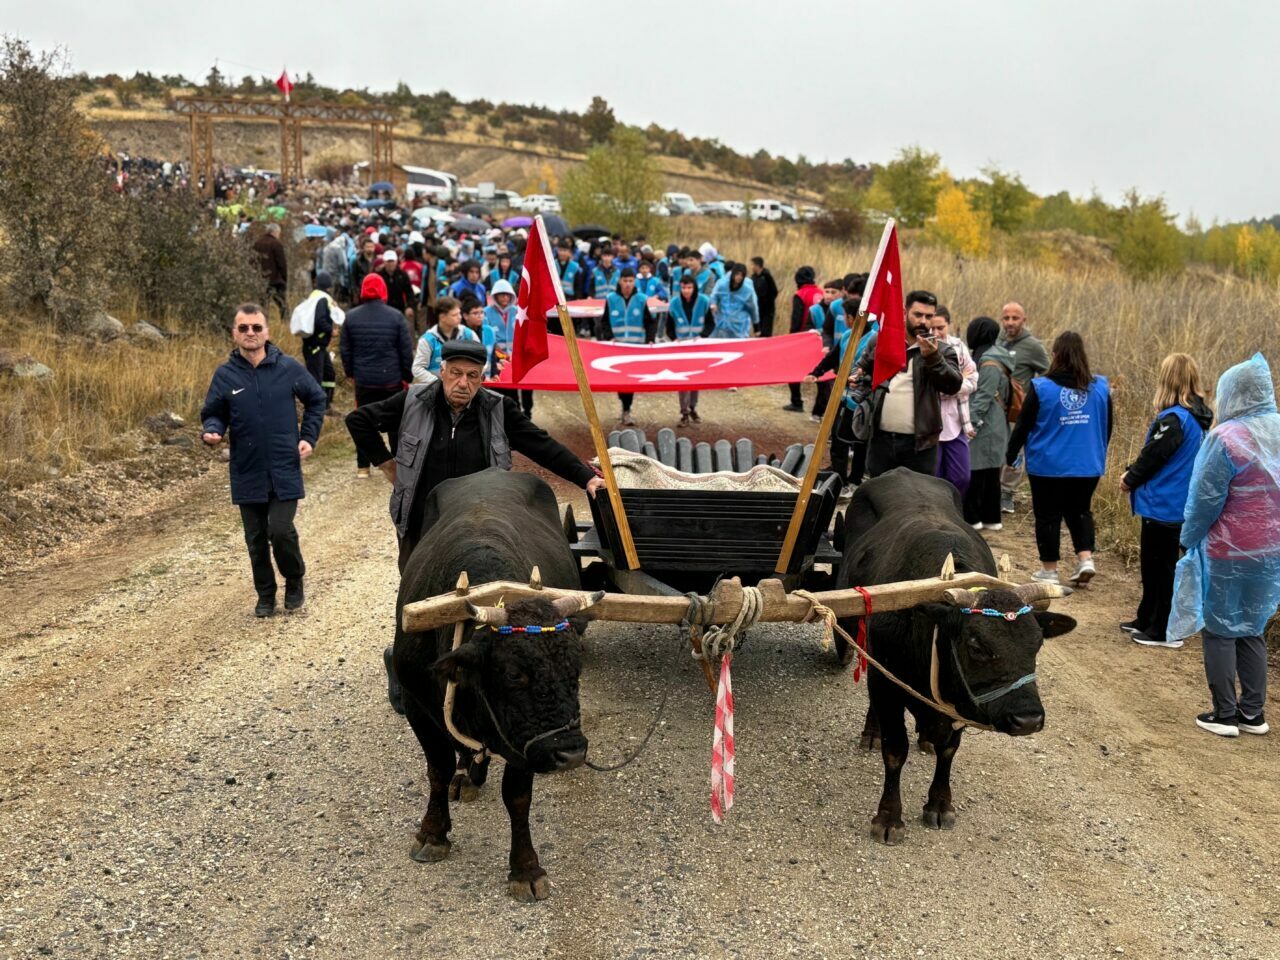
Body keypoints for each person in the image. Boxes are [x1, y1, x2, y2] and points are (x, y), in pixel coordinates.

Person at [345, 339, 607, 711]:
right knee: (419, 592)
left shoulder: (498, 409)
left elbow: (541, 445)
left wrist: (585, 478)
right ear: (441, 372)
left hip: (480, 524)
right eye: (455, 373)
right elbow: (358, 420)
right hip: (424, 521)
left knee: (484, 595)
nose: (462, 383)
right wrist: (387, 464)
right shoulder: (411, 402)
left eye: (472, 376)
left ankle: (475, 666)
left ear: (482, 378)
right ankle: (403, 664)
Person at [1168, 353, 1280, 737]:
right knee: (1252, 626)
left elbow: (1205, 498)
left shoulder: (1225, 437)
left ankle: (1225, 714)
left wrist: (1188, 538)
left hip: (1228, 551)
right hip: (1272, 553)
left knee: (1219, 628)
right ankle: (1254, 713)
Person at [200, 304, 326, 617]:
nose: (251, 333)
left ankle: (294, 579)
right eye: (244, 328)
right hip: (247, 468)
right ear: (234, 333)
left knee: (280, 530)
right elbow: (214, 413)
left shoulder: (288, 367)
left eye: (256, 327)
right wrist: (213, 430)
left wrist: (308, 437)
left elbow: (316, 399)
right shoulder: (225, 374)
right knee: (255, 539)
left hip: (284, 466)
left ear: (267, 332)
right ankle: (266, 595)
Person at [1120, 353, 1213, 648]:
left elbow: (1153, 457)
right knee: (1153, 566)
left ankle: (1163, 630)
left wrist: (1129, 478)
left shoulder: (1175, 419)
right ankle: (1146, 618)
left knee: (1162, 569)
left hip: (1164, 504)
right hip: (1179, 502)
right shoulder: (1198, 418)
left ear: (1167, 380)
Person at [1006, 331, 1111, 586]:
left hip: (1048, 465)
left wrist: (1011, 454)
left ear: (1054, 355)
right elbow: (1108, 424)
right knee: (1080, 510)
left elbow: (1023, 425)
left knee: (1048, 515)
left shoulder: (1042, 387)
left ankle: (1050, 571)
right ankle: (1085, 559)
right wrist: (1098, 450)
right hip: (1088, 463)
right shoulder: (1100, 387)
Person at [851, 290, 963, 478]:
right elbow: (861, 369)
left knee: (917, 494)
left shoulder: (942, 351)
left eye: (929, 316)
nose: (923, 321)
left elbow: (953, 386)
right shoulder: (881, 341)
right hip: (880, 440)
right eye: (918, 315)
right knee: (880, 491)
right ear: (904, 313)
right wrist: (857, 378)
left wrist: (933, 358)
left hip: (920, 445)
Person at [340, 273, 414, 478]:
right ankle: (400, 465)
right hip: (392, 380)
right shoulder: (396, 316)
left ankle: (363, 467)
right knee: (396, 423)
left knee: (362, 421)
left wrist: (351, 373)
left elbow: (345, 350)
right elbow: (405, 350)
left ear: (363, 290)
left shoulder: (351, 317)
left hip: (364, 381)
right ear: (383, 290)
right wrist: (406, 376)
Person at [962, 317, 1014, 530]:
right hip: (993, 423)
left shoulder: (989, 361)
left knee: (977, 472)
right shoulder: (994, 355)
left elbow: (983, 397)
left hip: (987, 425)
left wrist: (970, 424)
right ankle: (990, 518)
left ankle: (974, 518)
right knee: (988, 473)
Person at [997, 302, 1050, 513]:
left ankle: (1007, 493)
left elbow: (1047, 373)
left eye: (1015, 318)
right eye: (1006, 318)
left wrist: (1031, 397)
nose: (1010, 322)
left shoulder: (1033, 346)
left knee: (1015, 450)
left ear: (1024, 320)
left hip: (1017, 410)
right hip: (994, 407)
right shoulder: (997, 341)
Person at [927, 306, 978, 496]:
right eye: (932, 328)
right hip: (930, 422)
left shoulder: (958, 346)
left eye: (940, 327)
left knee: (962, 476)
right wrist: (957, 380)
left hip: (957, 421)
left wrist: (951, 386)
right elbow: (926, 389)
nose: (936, 333)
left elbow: (973, 381)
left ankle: (954, 507)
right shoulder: (921, 349)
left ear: (949, 325)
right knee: (934, 476)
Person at [599, 268, 651, 426]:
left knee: (630, 381)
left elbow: (649, 321)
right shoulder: (611, 299)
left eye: (630, 281)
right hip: (617, 346)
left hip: (635, 346)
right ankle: (624, 404)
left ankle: (626, 409)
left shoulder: (642, 299)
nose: (628, 284)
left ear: (634, 282)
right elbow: (604, 321)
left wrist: (650, 339)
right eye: (625, 281)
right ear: (620, 281)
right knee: (619, 380)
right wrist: (609, 337)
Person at [289, 271, 345, 411]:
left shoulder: (314, 297)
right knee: (316, 378)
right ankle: (315, 409)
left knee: (329, 374)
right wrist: (331, 331)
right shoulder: (322, 300)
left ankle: (326, 406)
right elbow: (319, 320)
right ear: (329, 286)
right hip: (315, 347)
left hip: (319, 347)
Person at [666, 273, 712, 426]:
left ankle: (693, 407)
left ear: (694, 288)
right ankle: (684, 412)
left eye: (689, 288)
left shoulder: (704, 301)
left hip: (698, 347)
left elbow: (710, 323)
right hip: (681, 348)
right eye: (683, 288)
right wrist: (674, 338)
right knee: (683, 381)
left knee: (695, 379)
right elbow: (669, 326)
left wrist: (703, 336)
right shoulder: (674, 303)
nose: (686, 291)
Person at [786, 266, 826, 412]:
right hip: (821, 338)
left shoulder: (800, 294)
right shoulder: (821, 292)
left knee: (792, 369)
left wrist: (792, 338)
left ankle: (796, 402)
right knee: (821, 372)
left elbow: (796, 320)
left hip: (804, 337)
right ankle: (820, 409)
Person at [412, 296, 479, 383]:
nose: (459, 317)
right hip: (435, 387)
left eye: (459, 313)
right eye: (454, 315)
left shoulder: (468, 334)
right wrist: (439, 383)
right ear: (442, 317)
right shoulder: (428, 339)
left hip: (464, 385)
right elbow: (417, 368)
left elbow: (482, 360)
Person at [708, 262, 759, 339]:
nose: (739, 277)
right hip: (722, 323)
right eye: (737, 274)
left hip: (739, 325)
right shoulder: (722, 284)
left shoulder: (747, 290)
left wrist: (756, 326)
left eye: (742, 275)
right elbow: (714, 295)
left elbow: (753, 308)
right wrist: (713, 304)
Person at [253, 223, 288, 317]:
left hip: (261, 278)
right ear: (274, 232)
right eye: (279, 233)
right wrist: (284, 278)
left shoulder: (257, 243)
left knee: (263, 304)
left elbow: (252, 260)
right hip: (275, 279)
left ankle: (263, 321)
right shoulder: (276, 244)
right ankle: (286, 322)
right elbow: (282, 263)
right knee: (282, 304)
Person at [376, 249, 416, 328]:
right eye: (388, 261)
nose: (390, 264)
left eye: (392, 261)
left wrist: (409, 306)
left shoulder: (403, 275)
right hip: (384, 308)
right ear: (384, 262)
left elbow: (409, 292)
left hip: (399, 308)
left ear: (396, 261)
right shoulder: (379, 276)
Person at [461, 296, 497, 377]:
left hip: (487, 378)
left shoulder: (489, 331)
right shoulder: (461, 333)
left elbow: (492, 356)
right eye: (475, 313)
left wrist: (494, 373)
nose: (480, 316)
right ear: (465, 316)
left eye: (482, 312)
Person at [750, 256, 779, 337]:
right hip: (757, 309)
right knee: (758, 333)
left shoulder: (767, 276)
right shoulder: (753, 278)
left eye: (752, 265)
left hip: (767, 310)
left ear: (758, 266)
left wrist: (767, 301)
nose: (751, 267)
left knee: (766, 333)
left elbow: (774, 291)